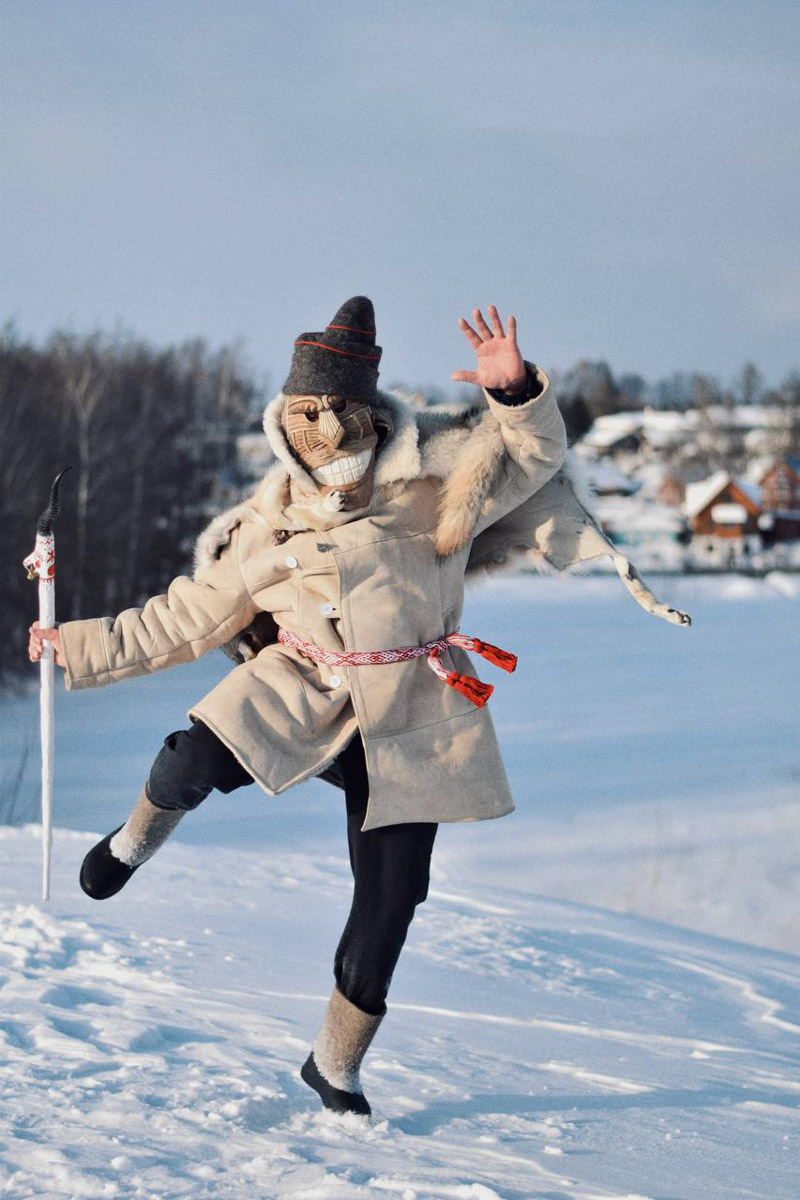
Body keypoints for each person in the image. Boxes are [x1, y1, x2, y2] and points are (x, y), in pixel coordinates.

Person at [29, 296, 687, 1119]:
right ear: (284, 421)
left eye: (343, 411)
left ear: (370, 413)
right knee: (189, 755)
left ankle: (335, 1063)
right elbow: (184, 617)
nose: (328, 431)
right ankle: (130, 843)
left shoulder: (434, 484)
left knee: (394, 894)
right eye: (308, 413)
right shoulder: (268, 527)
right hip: (302, 687)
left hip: (414, 709)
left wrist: (514, 394)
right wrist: (77, 644)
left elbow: (530, 457)